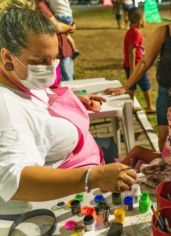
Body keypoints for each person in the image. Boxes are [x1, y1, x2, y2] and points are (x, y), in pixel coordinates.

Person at [0, 8, 136, 214]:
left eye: (54, 59)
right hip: (69, 200)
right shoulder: (6, 108)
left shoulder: (19, 78)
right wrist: (92, 177)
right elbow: (15, 180)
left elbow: (41, 99)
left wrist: (74, 100)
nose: (51, 68)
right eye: (41, 61)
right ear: (7, 56)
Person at [105, 0, 171, 151]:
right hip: (167, 94)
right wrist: (127, 86)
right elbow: (145, 61)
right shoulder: (162, 33)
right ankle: (165, 168)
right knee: (163, 137)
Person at [124, 7, 155, 113]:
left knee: (131, 87)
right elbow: (131, 51)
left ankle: (130, 106)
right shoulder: (136, 33)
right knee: (146, 85)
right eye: (144, 18)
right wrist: (133, 69)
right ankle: (150, 106)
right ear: (140, 20)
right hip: (137, 66)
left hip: (130, 65)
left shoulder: (131, 31)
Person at [37, 0, 75, 81]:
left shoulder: (44, 3)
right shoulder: (40, 5)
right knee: (66, 81)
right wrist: (70, 27)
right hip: (59, 51)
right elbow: (57, 27)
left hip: (63, 48)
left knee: (69, 79)